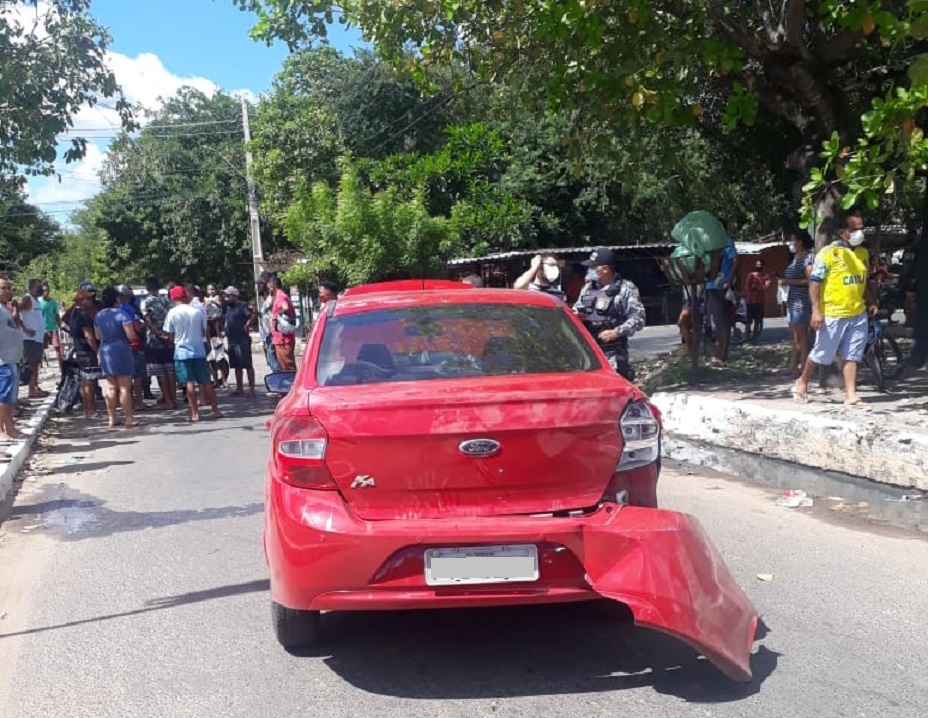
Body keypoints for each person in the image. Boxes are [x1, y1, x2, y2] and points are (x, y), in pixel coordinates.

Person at [793, 209, 879, 406]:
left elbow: (862, 281)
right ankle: (802, 381)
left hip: (857, 313)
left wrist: (871, 301)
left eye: (862, 228)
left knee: (852, 354)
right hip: (833, 313)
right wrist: (816, 310)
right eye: (855, 229)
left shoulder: (862, 253)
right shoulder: (828, 253)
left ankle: (850, 394)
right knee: (822, 353)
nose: (861, 233)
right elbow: (814, 282)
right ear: (842, 232)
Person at [573, 247, 647, 381]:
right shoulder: (587, 289)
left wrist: (617, 332)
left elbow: (639, 318)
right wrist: (577, 317)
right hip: (589, 354)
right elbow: (575, 310)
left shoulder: (626, 288)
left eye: (593, 267)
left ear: (605, 269)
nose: (590, 270)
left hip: (614, 354)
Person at [164, 285, 222, 422]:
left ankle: (195, 413)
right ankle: (215, 410)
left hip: (182, 352)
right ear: (184, 296)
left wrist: (170, 340)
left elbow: (169, 335)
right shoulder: (196, 312)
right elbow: (203, 332)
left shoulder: (172, 313)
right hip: (199, 350)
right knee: (206, 381)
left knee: (189, 382)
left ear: (172, 298)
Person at [94, 287, 140, 429]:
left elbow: (97, 336)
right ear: (116, 299)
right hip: (121, 350)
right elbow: (131, 336)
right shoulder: (122, 314)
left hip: (106, 350)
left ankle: (112, 418)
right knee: (125, 387)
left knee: (111, 386)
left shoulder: (99, 315)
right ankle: (128, 418)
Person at [779, 230, 815, 378]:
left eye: (792, 239)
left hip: (802, 302)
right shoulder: (795, 258)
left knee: (803, 336)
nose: (791, 243)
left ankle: (803, 369)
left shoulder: (808, 258)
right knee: (795, 337)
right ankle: (792, 366)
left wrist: (788, 282)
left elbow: (811, 280)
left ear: (800, 242)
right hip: (792, 301)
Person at [140, 276, 177, 410]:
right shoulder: (167, 301)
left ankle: (168, 401)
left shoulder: (146, 302)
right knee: (170, 370)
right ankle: (173, 399)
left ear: (147, 287)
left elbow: (148, 321)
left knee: (160, 372)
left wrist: (157, 334)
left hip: (155, 341)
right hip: (169, 338)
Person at [704, 223, 739, 363]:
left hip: (721, 286)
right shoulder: (712, 244)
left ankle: (723, 353)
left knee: (723, 321)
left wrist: (728, 282)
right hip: (710, 286)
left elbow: (736, 262)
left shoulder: (727, 242)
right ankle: (719, 351)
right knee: (716, 322)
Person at [69, 288, 102, 419]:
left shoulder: (73, 314)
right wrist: (97, 351)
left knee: (84, 381)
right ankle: (91, 410)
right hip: (87, 351)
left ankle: (86, 409)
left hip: (79, 350)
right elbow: (89, 336)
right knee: (90, 381)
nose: (90, 301)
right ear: (81, 300)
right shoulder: (82, 314)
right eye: (88, 298)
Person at [0, 276, 25, 442]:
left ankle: (10, 427)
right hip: (3, 360)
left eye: (9, 288)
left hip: (12, 358)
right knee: (2, 397)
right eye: (3, 288)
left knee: (9, 398)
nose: (7, 291)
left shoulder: (5, 309)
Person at [117, 284, 147, 411]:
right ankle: (139, 402)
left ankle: (126, 402)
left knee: (123, 377)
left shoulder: (114, 310)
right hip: (134, 346)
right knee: (137, 377)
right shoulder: (130, 310)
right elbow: (136, 327)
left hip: (120, 347)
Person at [223, 286, 257, 397]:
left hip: (242, 339)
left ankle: (251, 389)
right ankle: (239, 388)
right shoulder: (228, 308)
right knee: (236, 365)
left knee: (247, 364)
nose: (226, 298)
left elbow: (253, 314)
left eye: (228, 295)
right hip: (231, 340)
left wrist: (248, 324)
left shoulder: (242, 306)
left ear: (234, 296)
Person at [18, 279, 46, 399]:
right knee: (31, 365)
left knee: (36, 364)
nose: (40, 289)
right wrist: (24, 329)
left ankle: (35, 386)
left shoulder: (37, 301)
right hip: (30, 339)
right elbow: (15, 312)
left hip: (38, 338)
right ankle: (31, 389)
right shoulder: (27, 299)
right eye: (37, 287)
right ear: (31, 288)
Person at [268, 275, 297, 371]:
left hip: (283, 339)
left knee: (287, 367)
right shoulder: (281, 296)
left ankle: (291, 385)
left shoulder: (281, 297)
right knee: (284, 366)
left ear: (273, 286)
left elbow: (285, 307)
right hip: (280, 338)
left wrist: (277, 314)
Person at [744, 259, 772, 341]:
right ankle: (746, 338)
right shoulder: (751, 275)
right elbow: (747, 288)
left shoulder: (766, 276)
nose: (758, 266)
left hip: (760, 302)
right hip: (750, 301)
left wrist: (756, 286)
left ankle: (754, 338)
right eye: (757, 264)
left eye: (760, 264)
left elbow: (766, 288)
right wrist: (758, 287)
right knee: (748, 321)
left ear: (763, 266)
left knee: (757, 321)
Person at [39, 282, 62, 373]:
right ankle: (40, 366)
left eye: (47, 290)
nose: (46, 292)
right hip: (42, 329)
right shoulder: (38, 301)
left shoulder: (53, 302)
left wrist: (60, 326)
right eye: (44, 290)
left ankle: (61, 367)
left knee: (57, 347)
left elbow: (56, 315)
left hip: (53, 328)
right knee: (41, 348)